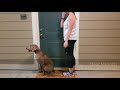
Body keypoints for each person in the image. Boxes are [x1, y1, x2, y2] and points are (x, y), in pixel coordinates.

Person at [60, 12, 77, 76]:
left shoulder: (71, 16)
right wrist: (62, 17)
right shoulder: (68, 16)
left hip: (70, 39)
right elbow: (61, 26)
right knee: (70, 54)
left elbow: (70, 30)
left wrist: (66, 41)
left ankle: (70, 73)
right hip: (69, 39)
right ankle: (72, 71)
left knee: (69, 55)